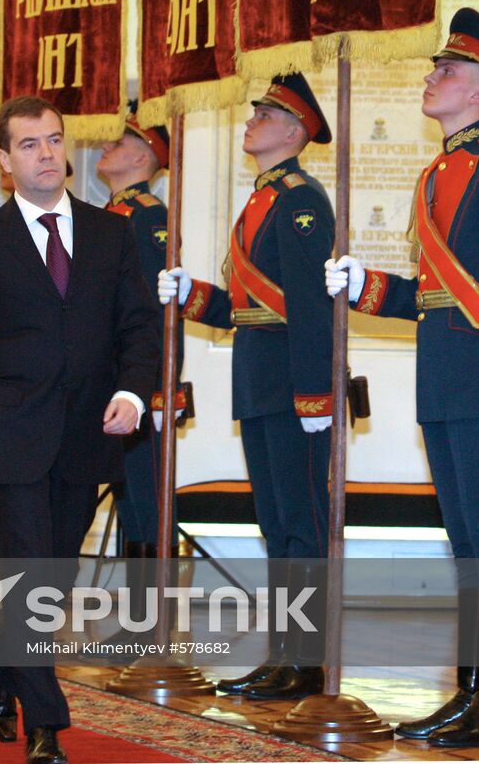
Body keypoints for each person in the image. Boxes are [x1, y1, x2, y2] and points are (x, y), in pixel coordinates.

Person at [325, 8, 479, 748]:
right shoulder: (438, 172)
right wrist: (362, 286)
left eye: (445, 70)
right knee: (465, 545)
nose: (430, 78)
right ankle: (469, 691)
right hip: (443, 381)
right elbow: (431, 294)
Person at [0, 96, 159, 764]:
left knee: (52, 575)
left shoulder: (110, 233)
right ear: (5, 160)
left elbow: (139, 326)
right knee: (31, 570)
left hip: (87, 432)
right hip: (11, 434)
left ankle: (1, 667)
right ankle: (47, 723)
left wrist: (131, 391)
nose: (46, 154)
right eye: (30, 144)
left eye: (54, 140)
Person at [159, 73, 334, 701]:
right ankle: (284, 653)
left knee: (302, 527)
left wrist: (316, 395)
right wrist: (193, 296)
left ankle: (306, 662)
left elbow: (312, 308)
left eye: (266, 113)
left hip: (291, 383)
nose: (252, 119)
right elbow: (247, 307)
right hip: (259, 376)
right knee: (276, 524)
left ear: (293, 132)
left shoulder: (300, 200)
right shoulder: (262, 200)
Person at [97, 114, 182, 589]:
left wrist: (151, 388)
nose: (110, 145)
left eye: (123, 140)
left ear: (142, 157)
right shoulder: (109, 215)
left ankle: (155, 626)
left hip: (138, 385)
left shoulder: (148, 215)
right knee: (129, 499)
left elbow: (152, 312)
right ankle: (136, 620)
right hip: (111, 380)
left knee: (146, 503)